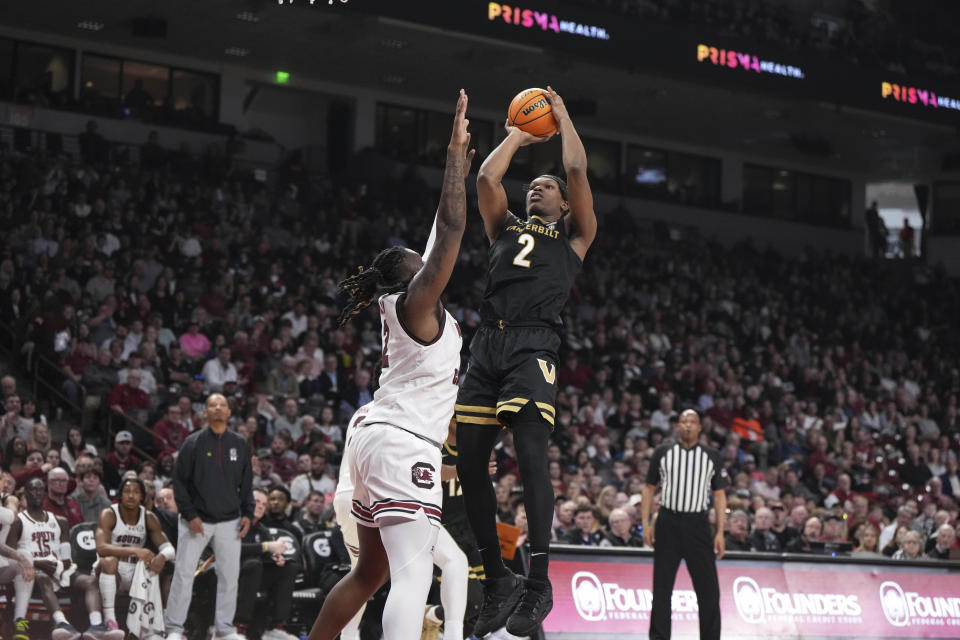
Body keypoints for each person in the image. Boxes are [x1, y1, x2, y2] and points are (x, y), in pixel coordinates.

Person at [307, 90, 474, 640]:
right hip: (403, 442)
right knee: (411, 570)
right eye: (420, 265)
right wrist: (452, 156)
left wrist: (458, 174)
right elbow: (450, 231)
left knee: (371, 570)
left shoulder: (408, 303)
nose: (429, 263)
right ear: (411, 280)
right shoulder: (416, 305)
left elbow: (437, 227)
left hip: (376, 438)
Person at [455, 85, 598, 637]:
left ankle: (538, 583)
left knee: (532, 459)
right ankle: (498, 580)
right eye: (533, 186)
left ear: (563, 205)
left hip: (534, 347)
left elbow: (579, 171)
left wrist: (559, 116)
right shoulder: (503, 226)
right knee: (470, 466)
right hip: (487, 345)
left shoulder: (576, 240)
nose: (536, 189)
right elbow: (487, 179)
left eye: (546, 187)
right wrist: (520, 129)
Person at [164, 394, 254, 640]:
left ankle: (224, 629)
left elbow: (246, 483)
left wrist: (248, 512)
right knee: (183, 574)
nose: (217, 408)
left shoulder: (240, 443)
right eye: (212, 405)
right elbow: (179, 483)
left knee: (229, 577)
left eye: (222, 405)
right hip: (197, 520)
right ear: (205, 412)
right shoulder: (192, 443)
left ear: (229, 412)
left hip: (230, 521)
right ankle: (173, 628)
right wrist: (190, 514)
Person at [641, 409, 728, 640]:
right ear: (677, 426)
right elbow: (649, 488)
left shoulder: (712, 455)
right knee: (662, 588)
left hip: (698, 524)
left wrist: (720, 531)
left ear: (700, 427)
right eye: (684, 421)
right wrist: (646, 523)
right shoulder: (662, 452)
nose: (688, 425)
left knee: (709, 590)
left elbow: (719, 495)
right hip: (668, 522)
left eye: (693, 422)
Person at [7, 478, 109, 640]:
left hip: (58, 569)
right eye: (32, 490)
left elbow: (67, 558)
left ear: (45, 493)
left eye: (40, 490)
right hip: (30, 572)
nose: (37, 493)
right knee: (41, 576)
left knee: (90, 581)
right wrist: (38, 563)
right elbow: (10, 555)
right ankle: (61, 623)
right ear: (25, 493)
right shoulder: (18, 521)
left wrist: (60, 564)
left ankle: (96, 625)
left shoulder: (59, 521)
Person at [95, 477, 173, 637]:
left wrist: (162, 557)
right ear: (120, 495)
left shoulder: (149, 517)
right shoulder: (109, 514)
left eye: (136, 492)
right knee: (109, 562)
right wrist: (135, 551)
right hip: (111, 570)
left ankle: (155, 629)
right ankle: (110, 623)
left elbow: (169, 548)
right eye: (127, 491)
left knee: (158, 569)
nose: (131, 496)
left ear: (142, 497)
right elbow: (102, 548)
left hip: (136, 572)